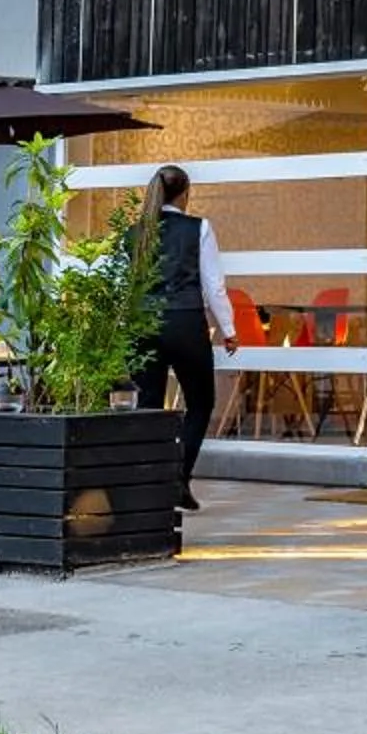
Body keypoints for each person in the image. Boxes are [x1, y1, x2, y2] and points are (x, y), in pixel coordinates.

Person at [133, 165, 237, 510]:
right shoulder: (199, 228)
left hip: (143, 323)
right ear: (186, 193)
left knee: (147, 406)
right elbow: (214, 286)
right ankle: (179, 478)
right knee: (200, 402)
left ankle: (150, 485)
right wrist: (229, 330)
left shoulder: (134, 232)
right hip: (184, 321)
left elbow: (124, 286)